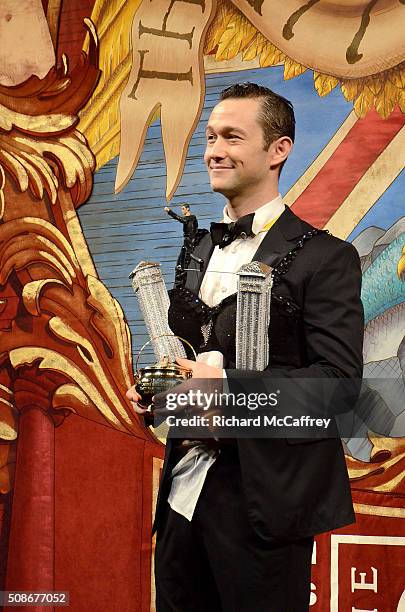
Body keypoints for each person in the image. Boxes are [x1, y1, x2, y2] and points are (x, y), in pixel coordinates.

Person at [127, 82, 364, 611]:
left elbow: (339, 387)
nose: (214, 150)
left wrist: (228, 394)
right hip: (182, 499)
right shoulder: (198, 249)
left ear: (279, 150)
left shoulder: (326, 258)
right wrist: (164, 391)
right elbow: (188, 358)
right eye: (210, 137)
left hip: (266, 508)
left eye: (232, 137)